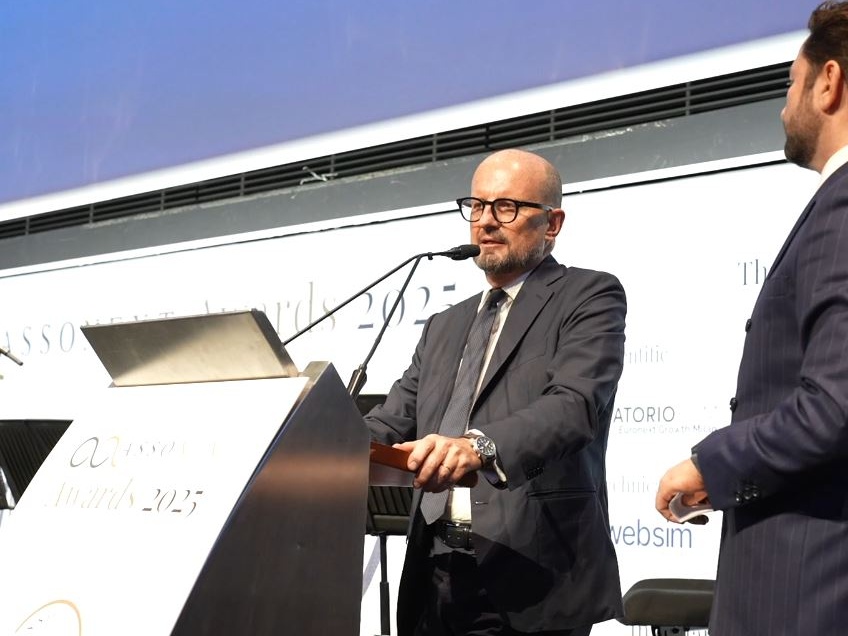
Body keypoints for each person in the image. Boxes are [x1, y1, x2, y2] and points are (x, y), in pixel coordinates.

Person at [365, 148, 626, 636]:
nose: (485, 221)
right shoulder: (444, 324)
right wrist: (313, 436)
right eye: (477, 206)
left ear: (552, 223)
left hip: (529, 575)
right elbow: (393, 418)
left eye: (506, 207)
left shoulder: (588, 296)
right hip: (433, 573)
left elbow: (573, 407)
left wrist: (478, 447)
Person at [655, 2, 848, 634]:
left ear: (828, 82)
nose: (784, 105)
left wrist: (709, 465)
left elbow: (833, 407)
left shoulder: (844, 206)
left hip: (804, 588)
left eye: (791, 83)